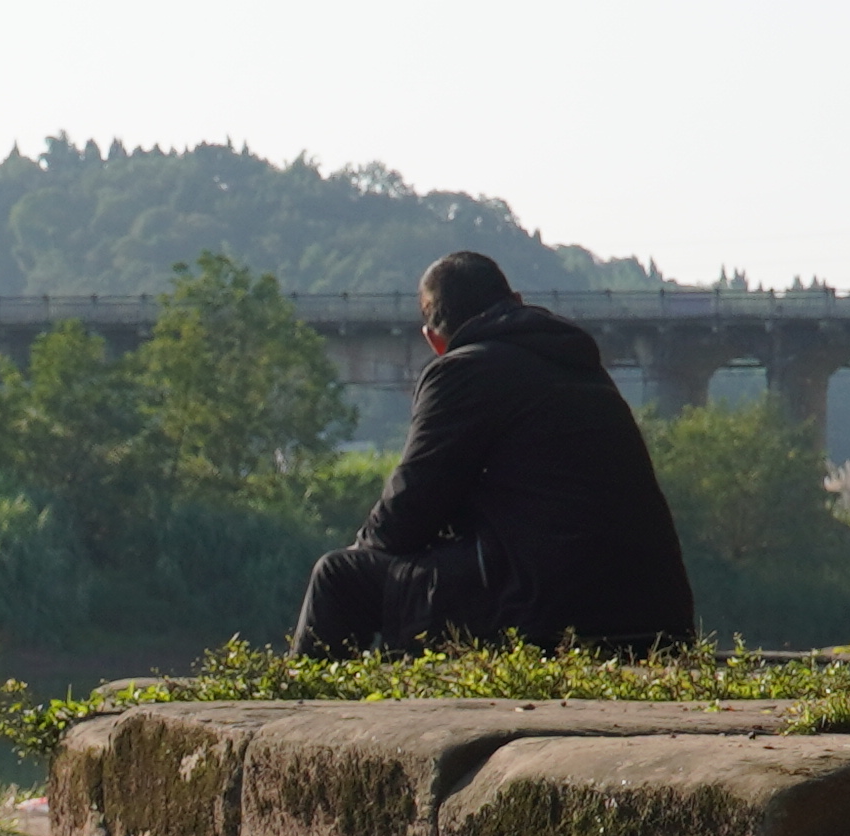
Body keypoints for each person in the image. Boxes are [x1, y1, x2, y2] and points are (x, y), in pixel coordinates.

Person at [289, 251, 700, 656]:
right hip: (658, 616)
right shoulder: (581, 366)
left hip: (549, 612)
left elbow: (405, 516)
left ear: (434, 341)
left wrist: (366, 551)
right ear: (517, 302)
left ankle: (300, 717)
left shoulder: (461, 370)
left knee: (340, 577)